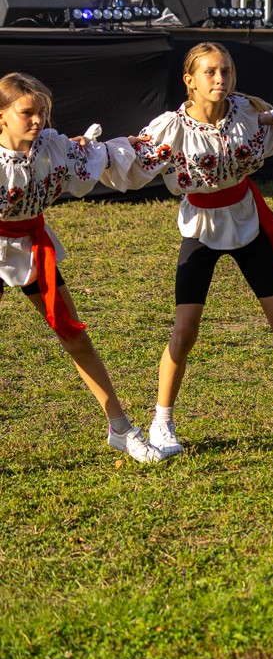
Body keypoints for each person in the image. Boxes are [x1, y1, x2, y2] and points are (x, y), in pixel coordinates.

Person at [100, 43, 273, 457]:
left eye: (226, 71)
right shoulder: (171, 127)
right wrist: (96, 152)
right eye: (210, 72)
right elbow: (133, 158)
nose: (220, 79)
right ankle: (162, 419)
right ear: (190, 80)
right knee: (185, 329)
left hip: (247, 219)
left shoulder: (248, 112)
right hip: (200, 227)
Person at [0, 73, 162, 463]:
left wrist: (126, 145)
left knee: (75, 337)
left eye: (42, 112)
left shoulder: (52, 146)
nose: (37, 120)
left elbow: (95, 156)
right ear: (1, 116)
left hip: (33, 244)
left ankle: (120, 428)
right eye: (27, 113)